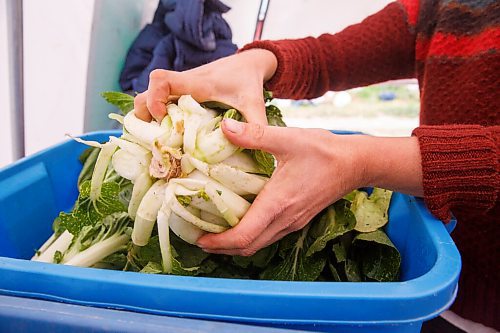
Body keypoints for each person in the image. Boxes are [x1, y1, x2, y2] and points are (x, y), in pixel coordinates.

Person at [134, 0, 499, 330]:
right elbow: (328, 56)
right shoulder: (441, 6)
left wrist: (359, 162)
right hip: (434, 271)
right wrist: (257, 62)